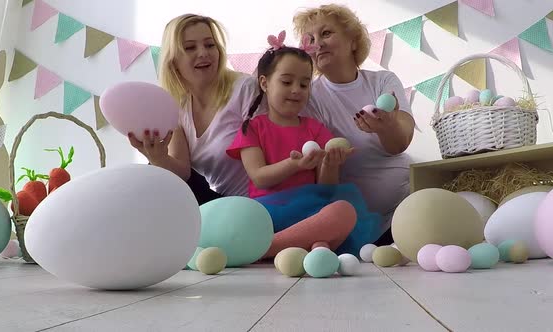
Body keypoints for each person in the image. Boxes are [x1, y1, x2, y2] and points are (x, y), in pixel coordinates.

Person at [226, 31, 382, 257]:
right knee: (240, 222)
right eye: (287, 81)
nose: (296, 89)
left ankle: (278, 249)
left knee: (344, 211)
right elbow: (259, 176)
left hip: (311, 214)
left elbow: (327, 187)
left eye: (304, 83)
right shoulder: (252, 128)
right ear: (264, 83)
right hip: (268, 214)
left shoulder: (315, 129)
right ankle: (290, 246)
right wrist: (294, 165)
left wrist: (330, 163)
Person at [293, 4, 416, 245]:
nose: (317, 44)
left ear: (352, 41)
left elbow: (400, 144)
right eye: (310, 39)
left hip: (402, 212)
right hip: (353, 227)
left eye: (326, 34)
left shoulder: (383, 81)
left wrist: (386, 126)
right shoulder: (309, 97)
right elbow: (321, 179)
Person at [127, 14, 260, 204]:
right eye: (190, 48)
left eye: (210, 45)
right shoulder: (177, 108)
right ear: (173, 61)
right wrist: (158, 157)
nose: (203, 53)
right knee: (154, 171)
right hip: (222, 205)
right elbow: (183, 173)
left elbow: (273, 146)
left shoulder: (244, 88)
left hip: (261, 200)